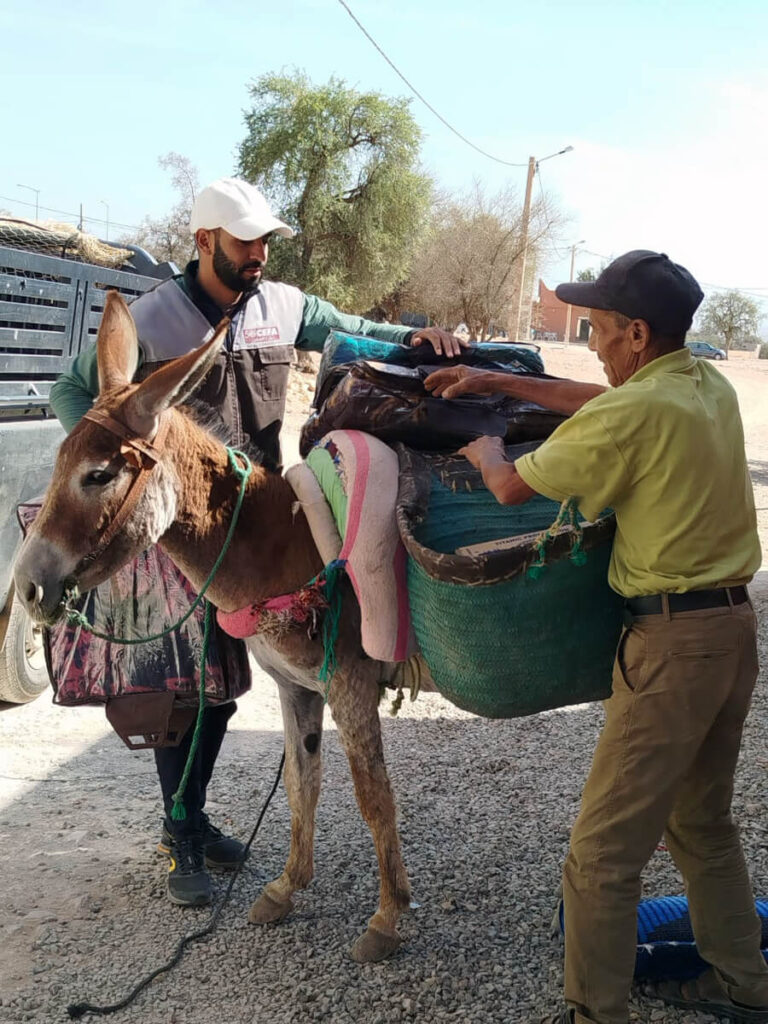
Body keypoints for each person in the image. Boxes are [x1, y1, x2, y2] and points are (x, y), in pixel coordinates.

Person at [50, 176, 465, 907]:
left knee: (235, 686)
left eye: (267, 241)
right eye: (246, 241)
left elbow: (349, 329)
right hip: (181, 528)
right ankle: (181, 831)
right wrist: (109, 466)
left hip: (263, 520)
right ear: (206, 241)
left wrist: (418, 340)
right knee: (184, 690)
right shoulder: (154, 319)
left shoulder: (281, 305)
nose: (260, 254)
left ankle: (199, 819)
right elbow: (71, 395)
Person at [425, 251, 768, 1024]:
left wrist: (485, 450)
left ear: (637, 334)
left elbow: (514, 486)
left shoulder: (634, 409)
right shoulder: (701, 383)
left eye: (601, 331)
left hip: (673, 647)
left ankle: (594, 1013)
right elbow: (603, 399)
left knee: (602, 856)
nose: (595, 346)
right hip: (731, 632)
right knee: (702, 824)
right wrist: (501, 380)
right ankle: (744, 986)